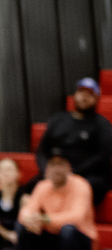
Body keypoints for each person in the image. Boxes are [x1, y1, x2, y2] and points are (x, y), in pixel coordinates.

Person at [9, 150, 96, 250]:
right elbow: (26, 211)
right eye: (53, 165)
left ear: (69, 168)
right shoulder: (42, 186)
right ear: (47, 169)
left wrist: (46, 219)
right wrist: (30, 219)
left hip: (82, 246)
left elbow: (77, 217)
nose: (57, 169)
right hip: (55, 243)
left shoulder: (81, 185)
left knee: (68, 229)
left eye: (61, 164)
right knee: (22, 227)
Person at [34, 78, 112, 206]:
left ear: (97, 99)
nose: (84, 97)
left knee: (88, 186)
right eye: (81, 92)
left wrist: (71, 174)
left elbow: (102, 156)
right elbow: (42, 150)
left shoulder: (102, 125)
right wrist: (46, 169)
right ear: (75, 95)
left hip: (88, 175)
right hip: (57, 172)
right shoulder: (58, 120)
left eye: (89, 94)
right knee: (30, 188)